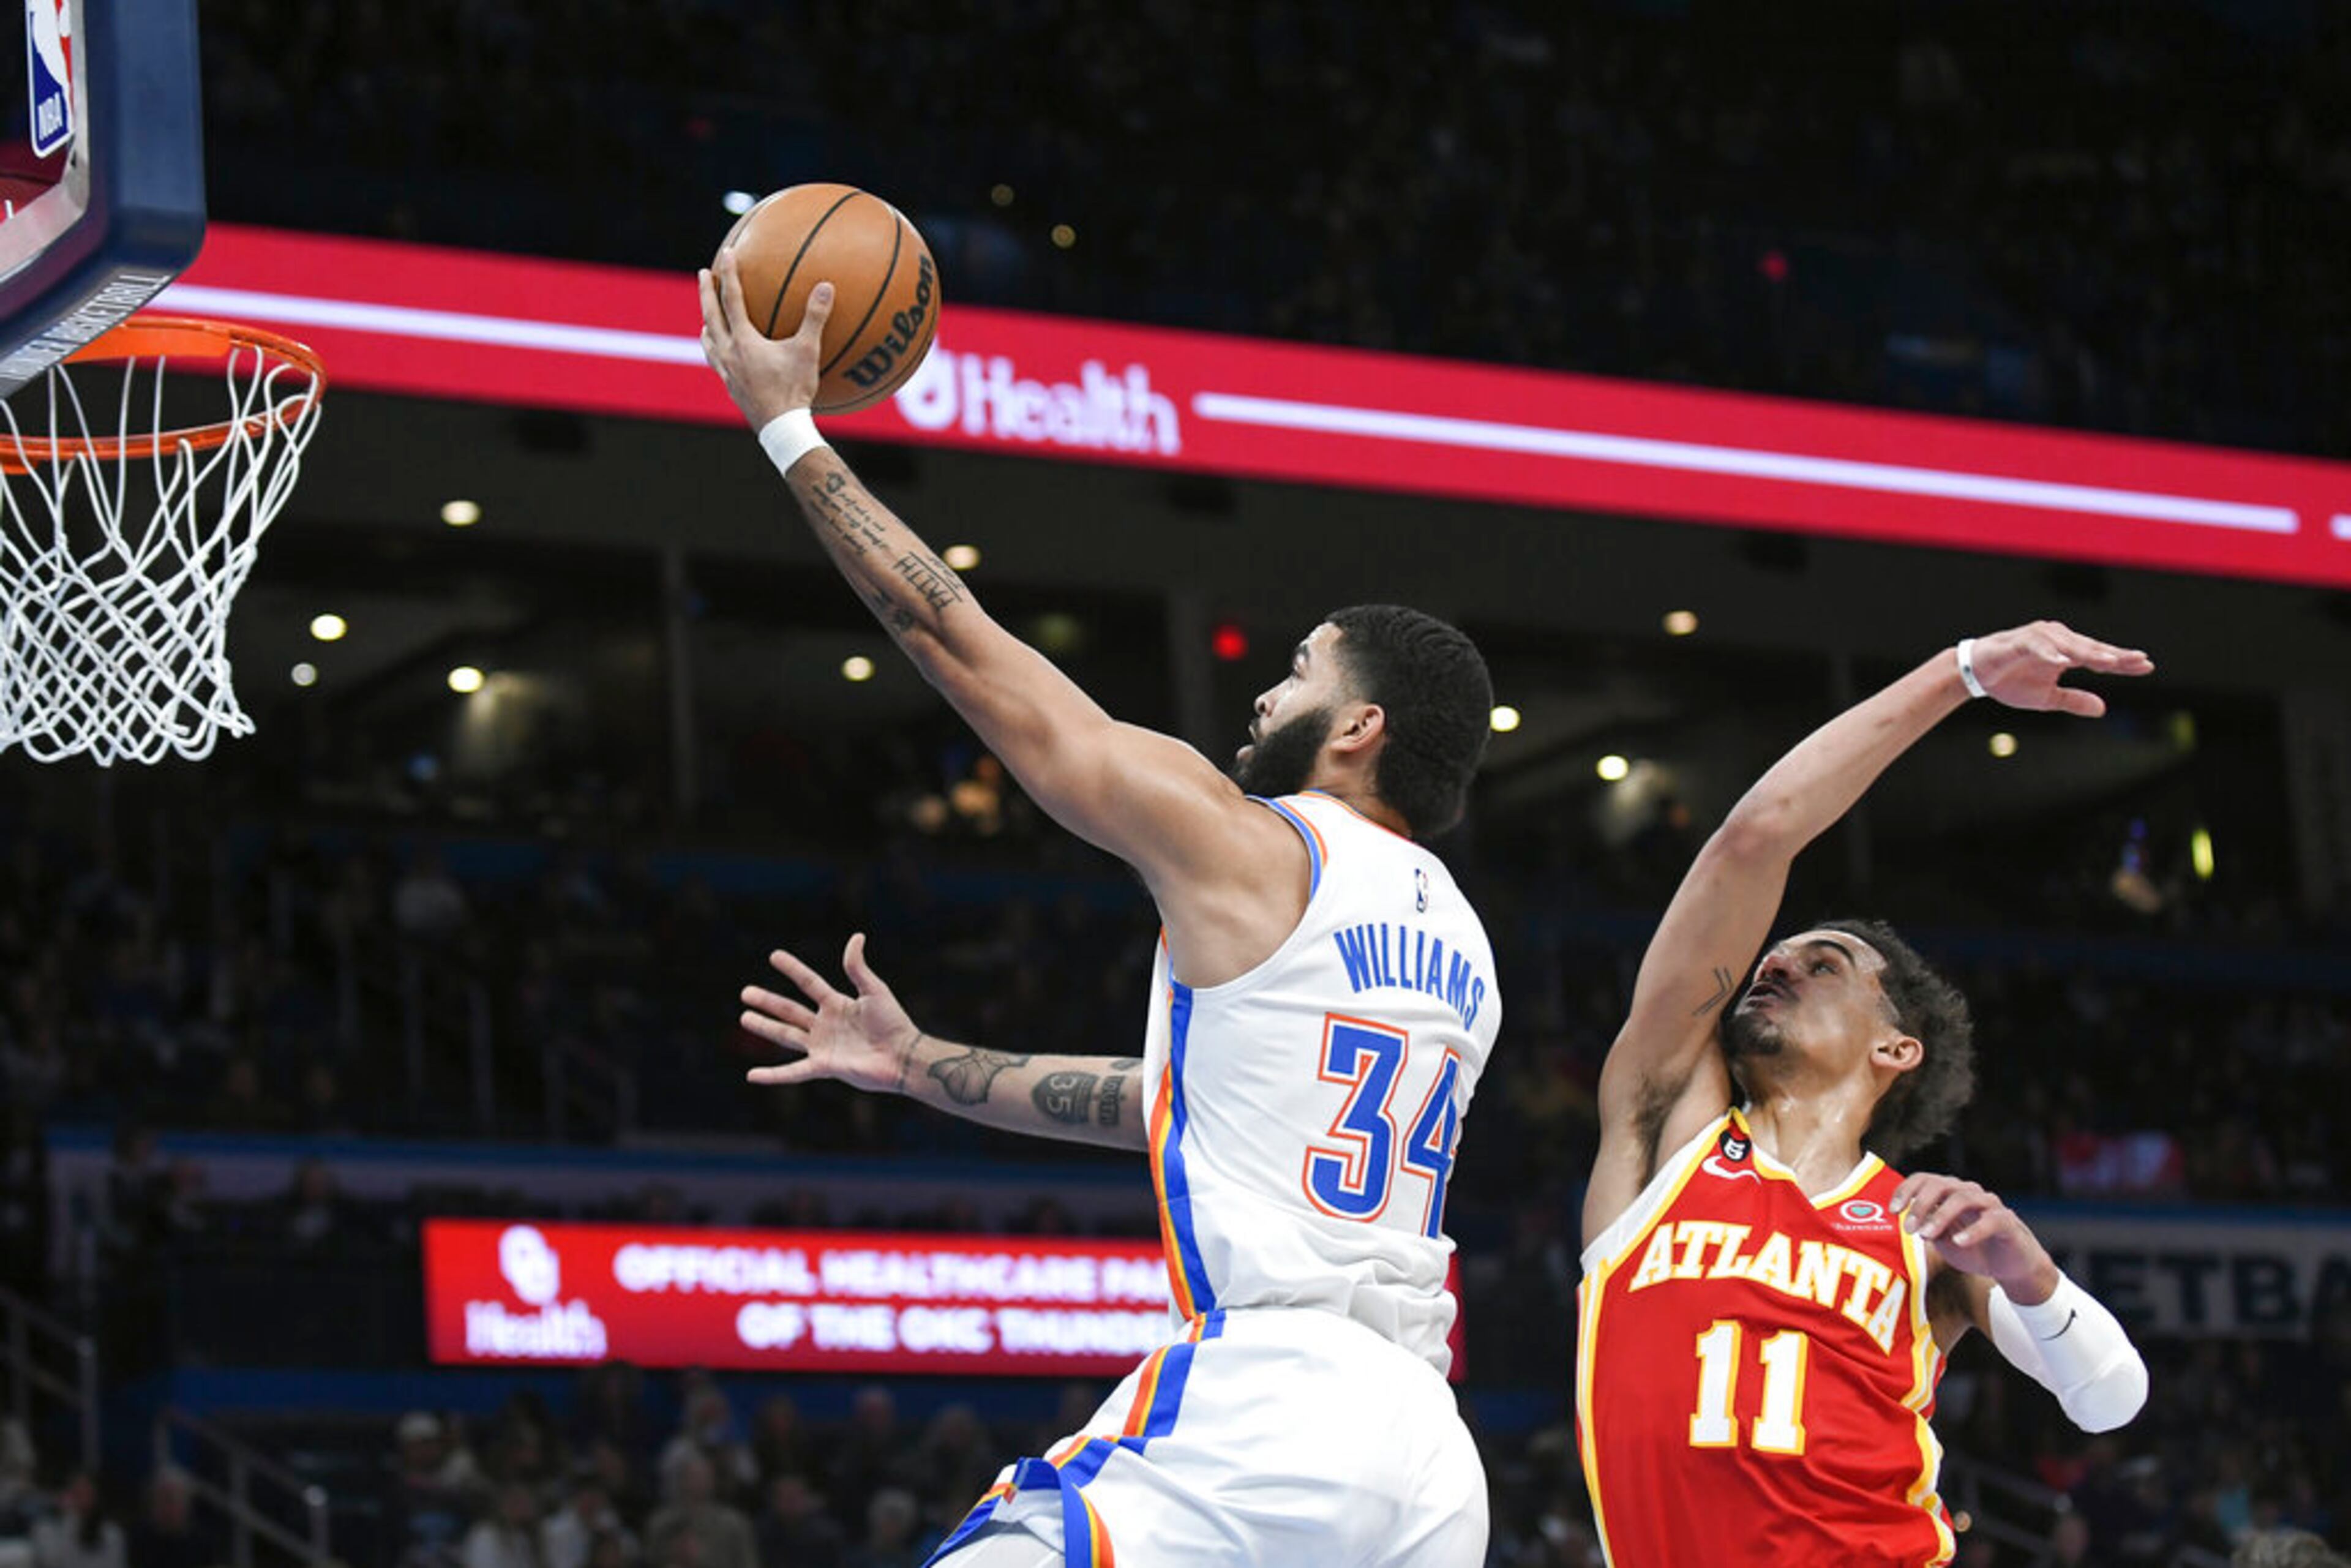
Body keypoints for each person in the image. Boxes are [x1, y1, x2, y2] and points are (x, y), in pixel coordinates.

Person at [705, 256, 1500, 1566]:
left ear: (1359, 727)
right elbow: (1190, 1101)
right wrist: (920, 1067)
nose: (1265, 696)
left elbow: (966, 652)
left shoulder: (1255, 849)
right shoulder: (1461, 942)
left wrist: (790, 430)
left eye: (1298, 671)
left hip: (1273, 1408)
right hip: (1427, 1450)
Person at [1577, 622, 2155, 1566]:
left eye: (1826, 961)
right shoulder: (1665, 1131)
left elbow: (2111, 1397)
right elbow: (1754, 839)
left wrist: (2025, 1271)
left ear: (1899, 1045)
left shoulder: (1929, 1232)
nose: (1778, 962)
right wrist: (1960, 673)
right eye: (1773, 955)